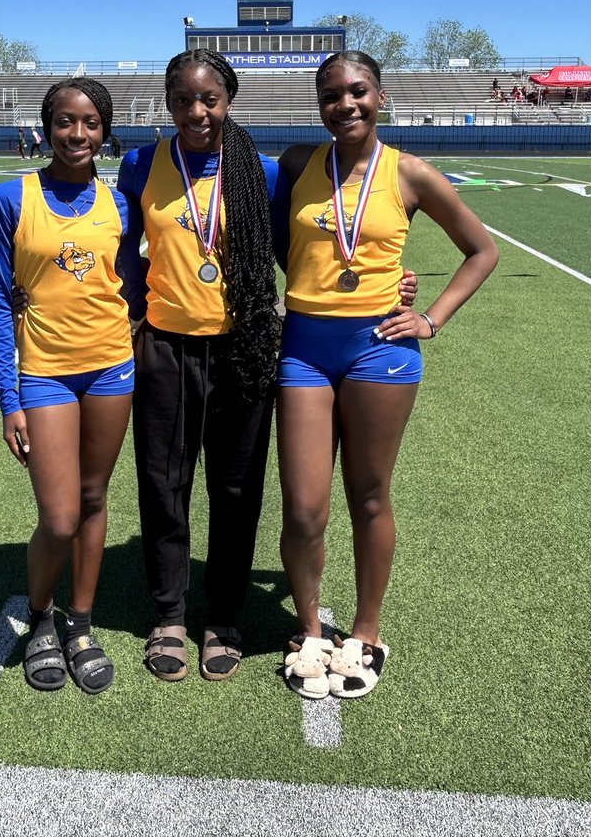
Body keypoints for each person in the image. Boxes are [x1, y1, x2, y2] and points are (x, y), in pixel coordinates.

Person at [274, 51, 498, 701]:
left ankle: (367, 632)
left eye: (357, 92)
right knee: (305, 508)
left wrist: (430, 318)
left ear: (380, 95)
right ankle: (311, 630)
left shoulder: (411, 173)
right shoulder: (296, 164)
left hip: (380, 349)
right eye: (332, 96)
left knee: (369, 496)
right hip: (304, 349)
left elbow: (482, 252)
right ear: (319, 105)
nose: (345, 105)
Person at [117, 50, 283, 683]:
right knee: (165, 484)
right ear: (168, 103)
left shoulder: (262, 173)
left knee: (237, 490)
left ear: (228, 101)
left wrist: (394, 289)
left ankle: (223, 615)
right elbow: (124, 249)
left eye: (208, 99)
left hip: (242, 350)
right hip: (165, 348)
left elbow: (304, 255)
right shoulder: (142, 164)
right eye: (183, 99)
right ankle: (167, 614)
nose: (196, 111)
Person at [0, 77, 139, 695]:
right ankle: (42, 617)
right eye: (66, 122)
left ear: (105, 131)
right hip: (44, 373)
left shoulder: (120, 204)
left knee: (95, 498)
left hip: (111, 368)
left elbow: (134, 280)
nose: (78, 134)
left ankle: (80, 622)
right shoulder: (10, 199)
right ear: (47, 127)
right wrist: (8, 399)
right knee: (59, 513)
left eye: (91, 123)